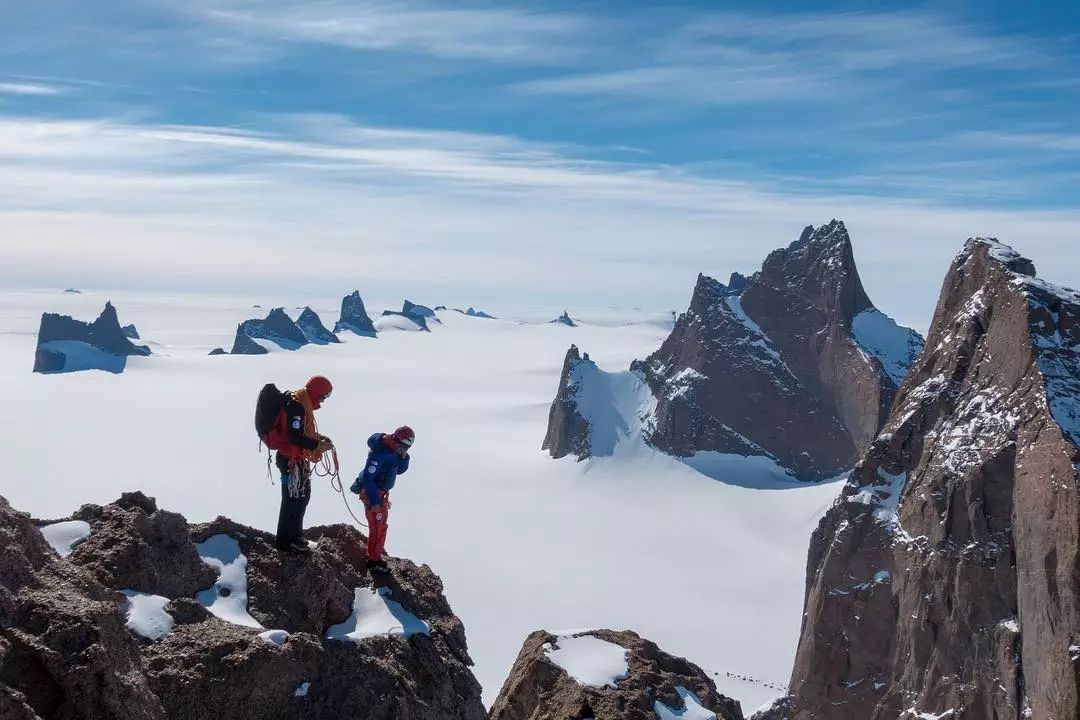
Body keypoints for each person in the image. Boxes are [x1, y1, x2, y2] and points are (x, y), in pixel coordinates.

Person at [275, 375, 334, 554]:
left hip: (296, 460)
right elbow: (294, 437)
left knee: (302, 498)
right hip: (290, 460)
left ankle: (296, 535)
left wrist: (317, 438)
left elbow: (298, 432)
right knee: (292, 500)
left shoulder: (301, 403)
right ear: (317, 392)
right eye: (323, 396)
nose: (323, 401)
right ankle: (285, 541)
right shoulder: (297, 407)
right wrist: (316, 445)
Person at [350, 426, 414, 573]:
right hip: (374, 495)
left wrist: (404, 458)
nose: (405, 450)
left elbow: (398, 470)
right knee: (378, 528)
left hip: (380, 494)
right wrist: (375, 502)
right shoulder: (380, 452)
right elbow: (368, 479)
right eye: (405, 447)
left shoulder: (393, 450)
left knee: (379, 527)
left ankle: (374, 557)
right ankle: (374, 561)